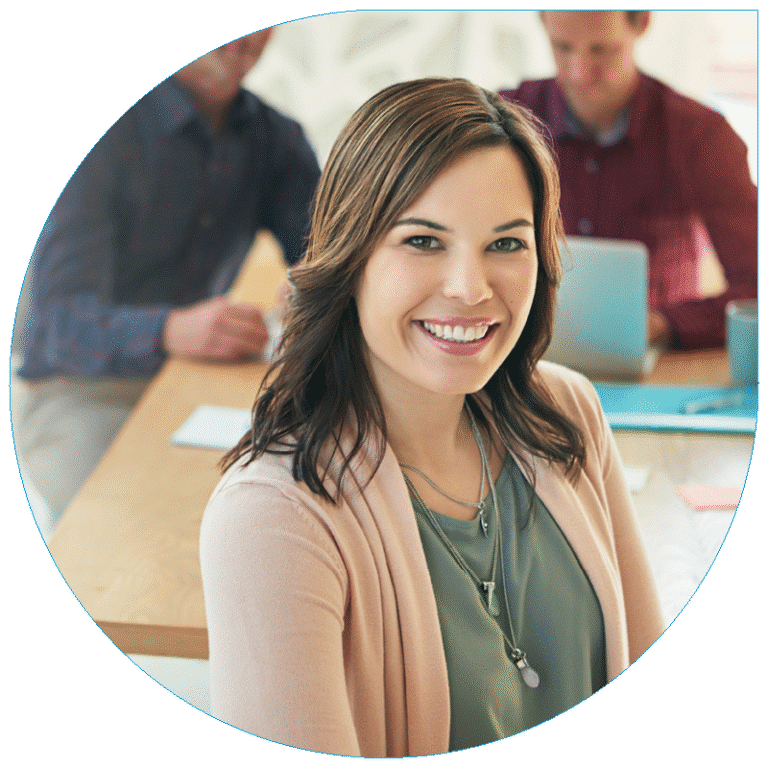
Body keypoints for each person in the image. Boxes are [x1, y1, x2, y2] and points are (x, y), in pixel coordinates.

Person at [200, 77, 664, 757]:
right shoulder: (271, 518)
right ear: (351, 253)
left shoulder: (567, 412)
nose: (470, 289)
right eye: (422, 241)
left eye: (507, 243)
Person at [12, 30, 321, 531]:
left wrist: (318, 286)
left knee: (267, 513)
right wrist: (170, 330)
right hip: (77, 393)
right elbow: (53, 326)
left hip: (202, 379)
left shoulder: (274, 137)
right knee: (130, 533)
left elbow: (325, 252)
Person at [499, 10, 757, 350]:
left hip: (657, 363)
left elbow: (756, 286)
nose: (579, 73)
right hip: (524, 355)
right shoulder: (505, 120)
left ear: (642, 23)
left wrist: (661, 325)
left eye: (601, 50)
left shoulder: (701, 136)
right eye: (562, 47)